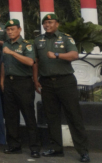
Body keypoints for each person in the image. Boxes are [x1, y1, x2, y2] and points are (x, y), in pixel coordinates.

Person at [34, 14, 89, 162]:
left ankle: (83, 151)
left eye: (50, 22)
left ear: (57, 24)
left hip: (65, 81)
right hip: (46, 83)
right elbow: (36, 61)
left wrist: (57, 55)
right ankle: (56, 148)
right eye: (45, 23)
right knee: (51, 117)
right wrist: (35, 79)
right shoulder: (38, 40)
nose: (47, 25)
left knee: (74, 116)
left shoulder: (65, 38)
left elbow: (74, 55)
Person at [1, 19, 40, 158]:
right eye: (8, 29)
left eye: (13, 29)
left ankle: (34, 147)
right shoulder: (5, 44)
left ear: (19, 30)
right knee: (11, 116)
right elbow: (3, 64)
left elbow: (30, 62)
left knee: (28, 115)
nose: (10, 32)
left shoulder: (27, 45)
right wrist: (2, 80)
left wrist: (12, 53)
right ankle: (14, 145)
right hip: (9, 82)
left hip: (23, 83)